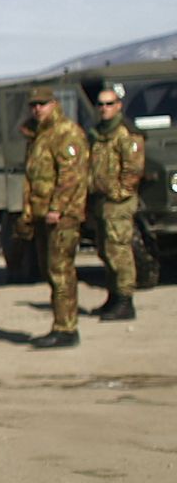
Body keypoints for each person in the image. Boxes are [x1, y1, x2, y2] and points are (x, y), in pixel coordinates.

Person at [17, 87, 89, 347]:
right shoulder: (38, 135)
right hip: (43, 214)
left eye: (43, 104)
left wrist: (57, 207)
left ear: (54, 104)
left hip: (62, 216)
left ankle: (66, 328)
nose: (37, 109)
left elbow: (72, 176)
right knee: (51, 271)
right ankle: (61, 324)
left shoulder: (66, 133)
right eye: (33, 104)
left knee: (61, 271)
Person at [87, 84, 144, 321]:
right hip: (101, 201)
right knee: (106, 250)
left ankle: (125, 300)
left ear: (118, 106)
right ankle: (113, 296)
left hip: (118, 203)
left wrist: (119, 193)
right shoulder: (99, 133)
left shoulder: (125, 133)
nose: (104, 109)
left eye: (109, 104)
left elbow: (133, 169)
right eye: (100, 104)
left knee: (120, 251)